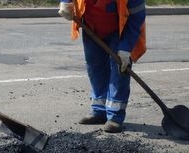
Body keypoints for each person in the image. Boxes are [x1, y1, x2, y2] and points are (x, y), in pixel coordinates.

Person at [58, 0, 146, 133]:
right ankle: (99, 110)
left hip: (120, 30)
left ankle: (115, 117)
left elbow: (137, 16)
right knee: (95, 67)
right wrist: (65, 2)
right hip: (91, 25)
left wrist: (126, 48)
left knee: (119, 70)